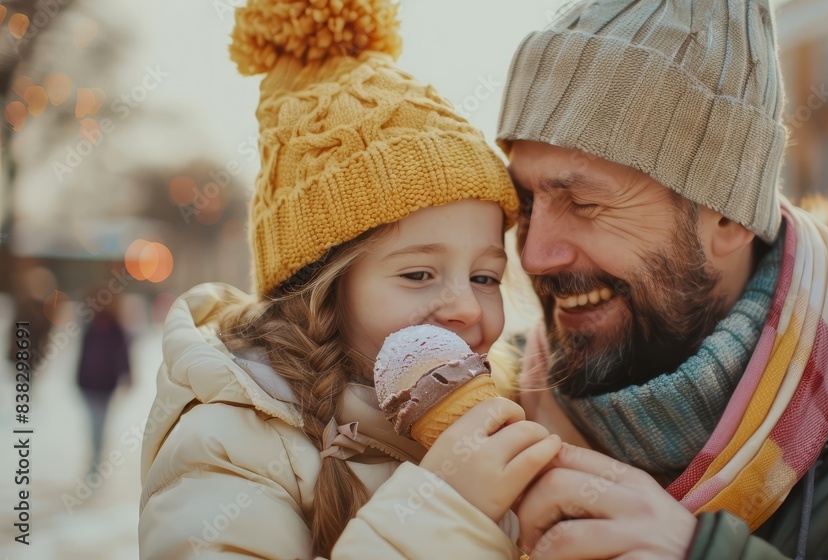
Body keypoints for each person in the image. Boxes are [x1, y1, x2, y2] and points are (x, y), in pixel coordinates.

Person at [495, 1, 828, 559]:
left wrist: (701, 552)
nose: (534, 255)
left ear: (729, 217)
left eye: (585, 203)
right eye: (524, 201)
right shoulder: (489, 414)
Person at [138, 1, 559, 558]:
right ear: (321, 290)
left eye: (485, 276)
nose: (466, 307)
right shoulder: (230, 442)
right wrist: (444, 512)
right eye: (418, 274)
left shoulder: (513, 404)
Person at [77, 291, 131, 472]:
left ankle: (97, 458)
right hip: (88, 385)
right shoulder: (89, 327)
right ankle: (95, 456)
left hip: (105, 386)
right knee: (95, 422)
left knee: (100, 423)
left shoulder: (116, 329)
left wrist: (128, 376)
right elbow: (83, 356)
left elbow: (124, 356)